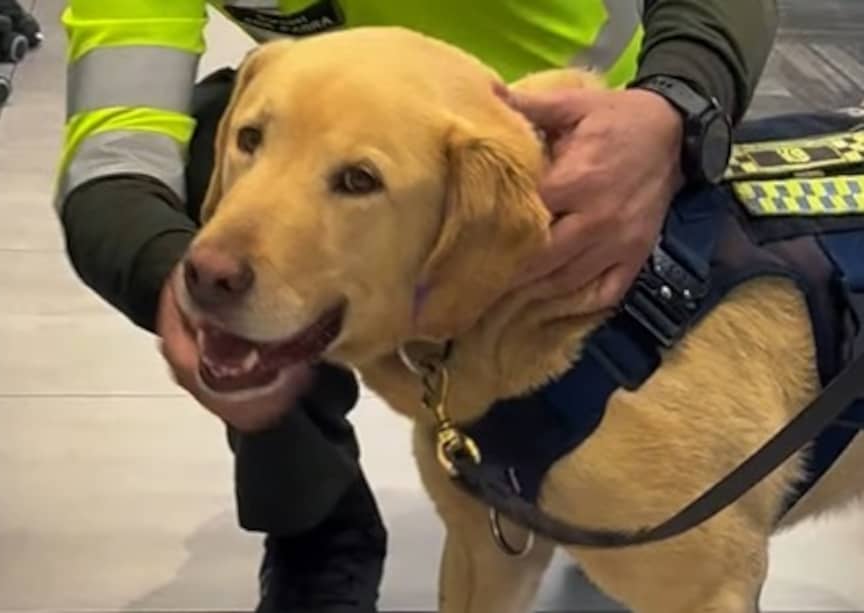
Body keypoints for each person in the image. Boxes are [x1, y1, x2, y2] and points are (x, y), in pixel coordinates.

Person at [54, 1, 777, 611]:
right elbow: (113, 159)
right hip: (351, 129)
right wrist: (170, 277)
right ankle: (319, 528)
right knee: (219, 155)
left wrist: (674, 108)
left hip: (586, 141)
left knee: (640, 529)